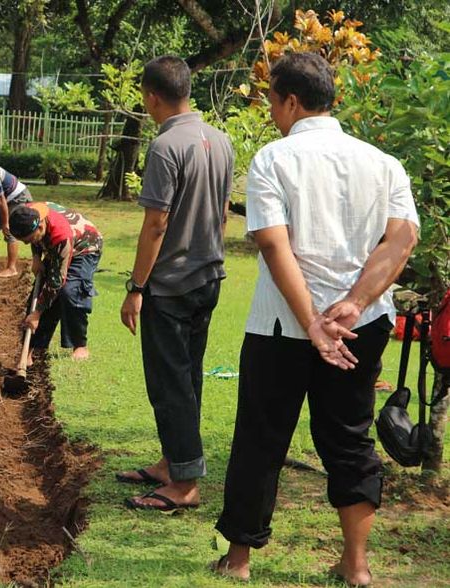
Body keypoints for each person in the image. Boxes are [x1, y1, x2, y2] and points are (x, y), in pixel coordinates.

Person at [211, 53, 418, 585]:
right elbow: (402, 238)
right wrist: (352, 303)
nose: (273, 112)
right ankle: (356, 565)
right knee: (350, 437)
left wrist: (312, 321)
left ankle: (238, 560)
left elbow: (275, 246)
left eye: (273, 101)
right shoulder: (383, 163)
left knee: (262, 435)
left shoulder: (274, 159)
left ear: (293, 101)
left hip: (283, 324)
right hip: (360, 325)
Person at [116, 55, 235, 511]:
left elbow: (155, 225)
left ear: (151, 97)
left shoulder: (165, 148)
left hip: (171, 285)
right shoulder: (220, 140)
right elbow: (222, 214)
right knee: (188, 377)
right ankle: (174, 463)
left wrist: (136, 287)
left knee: (170, 383)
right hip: (209, 277)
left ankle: (184, 487)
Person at [8, 202, 102, 361]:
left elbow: (57, 281)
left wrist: (37, 313)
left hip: (85, 246)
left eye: (29, 239)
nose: (27, 243)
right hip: (54, 246)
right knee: (38, 296)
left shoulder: (61, 235)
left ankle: (80, 345)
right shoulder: (26, 213)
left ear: (40, 228)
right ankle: (32, 347)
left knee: (70, 291)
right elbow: (34, 240)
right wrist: (36, 257)